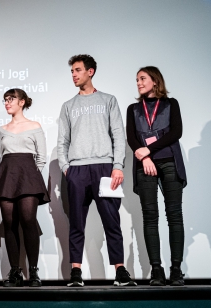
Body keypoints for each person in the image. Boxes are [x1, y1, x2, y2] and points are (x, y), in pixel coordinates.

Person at [57, 54, 136, 287]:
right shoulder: (68, 106)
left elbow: (118, 135)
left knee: (112, 221)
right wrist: (65, 168)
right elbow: (62, 140)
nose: (74, 75)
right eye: (72, 71)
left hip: (104, 167)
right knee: (76, 223)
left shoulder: (108, 100)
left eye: (78, 70)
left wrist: (118, 166)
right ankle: (76, 273)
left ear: (90, 72)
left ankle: (120, 271)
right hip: (77, 170)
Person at [126, 66, 187, 286]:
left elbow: (175, 132)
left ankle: (176, 269)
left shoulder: (171, 104)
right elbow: (132, 138)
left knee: (174, 215)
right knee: (150, 216)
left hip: (169, 162)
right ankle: (156, 270)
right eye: (137, 80)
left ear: (155, 81)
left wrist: (149, 151)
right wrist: (145, 159)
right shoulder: (133, 108)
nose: (139, 83)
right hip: (145, 165)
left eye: (142, 78)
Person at [0, 89, 50, 287]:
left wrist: (31, 175)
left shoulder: (34, 126)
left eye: (11, 99)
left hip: (28, 175)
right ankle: (15, 271)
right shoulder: (2, 130)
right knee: (9, 222)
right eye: (5, 100)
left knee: (28, 220)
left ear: (22, 102)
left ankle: (33, 271)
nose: (7, 103)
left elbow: (41, 157)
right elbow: (0, 155)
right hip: (7, 174)